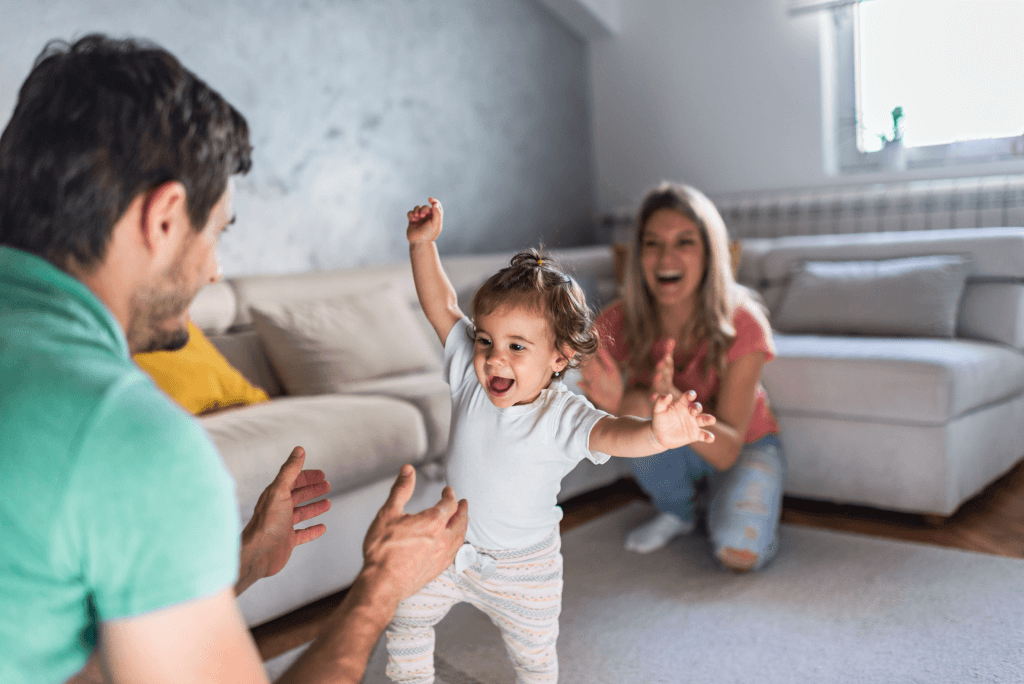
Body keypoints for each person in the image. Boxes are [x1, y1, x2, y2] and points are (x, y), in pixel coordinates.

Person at [0, 35, 468, 684]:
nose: (216, 272)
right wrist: (380, 590)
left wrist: (243, 562)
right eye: (217, 231)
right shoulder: (128, 439)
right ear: (164, 218)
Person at [385, 198, 716, 684]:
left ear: (559, 358)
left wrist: (655, 434)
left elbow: (612, 434)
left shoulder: (563, 415)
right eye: (485, 341)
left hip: (526, 572)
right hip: (450, 550)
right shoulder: (467, 379)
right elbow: (443, 307)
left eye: (517, 347)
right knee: (405, 614)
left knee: (535, 661)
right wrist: (422, 244)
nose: (495, 359)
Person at [579, 181, 786, 573]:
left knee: (740, 554)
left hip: (744, 447)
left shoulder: (745, 323)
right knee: (638, 407)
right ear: (639, 255)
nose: (665, 257)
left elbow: (727, 450)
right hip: (678, 446)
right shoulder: (622, 318)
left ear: (709, 253)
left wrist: (677, 408)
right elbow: (569, 367)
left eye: (684, 242)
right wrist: (611, 406)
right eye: (653, 244)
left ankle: (716, 500)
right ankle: (679, 510)